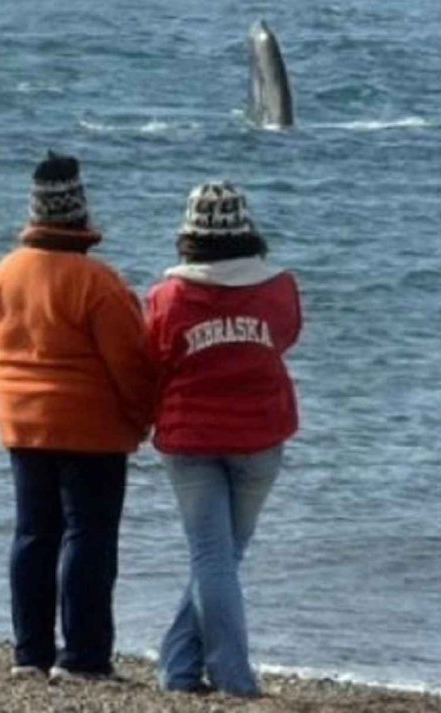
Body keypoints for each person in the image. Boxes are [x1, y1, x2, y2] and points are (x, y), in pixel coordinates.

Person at [0, 151, 157, 682]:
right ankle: (82, 657)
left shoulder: (3, 275)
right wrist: (141, 419)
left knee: (34, 535)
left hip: (23, 421)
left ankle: (29, 654)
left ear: (34, 215)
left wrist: (13, 399)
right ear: (80, 213)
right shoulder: (97, 282)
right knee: (89, 536)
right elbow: (132, 363)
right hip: (92, 428)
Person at [144, 181, 303, 696]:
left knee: (214, 557)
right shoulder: (279, 287)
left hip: (190, 438)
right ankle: (230, 678)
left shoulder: (168, 296)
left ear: (188, 235)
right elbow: (287, 335)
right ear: (246, 229)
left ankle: (181, 668)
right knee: (223, 556)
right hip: (260, 435)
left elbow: (155, 356)